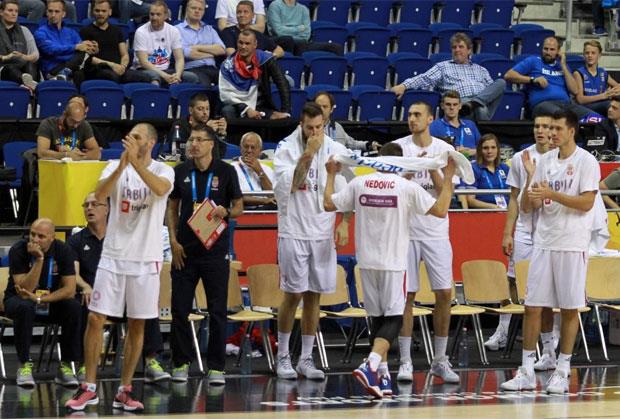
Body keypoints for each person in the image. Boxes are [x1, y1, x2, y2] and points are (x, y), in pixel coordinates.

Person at [323, 143, 455, 398]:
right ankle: (371, 362)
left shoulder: (360, 183)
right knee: (394, 318)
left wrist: (330, 175)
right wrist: (447, 178)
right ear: (400, 162)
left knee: (378, 318)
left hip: (366, 261)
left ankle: (381, 376)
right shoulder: (405, 187)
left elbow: (328, 204)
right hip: (393, 262)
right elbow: (441, 210)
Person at [65, 122, 175, 412]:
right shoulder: (115, 166)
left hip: (146, 258)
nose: (131, 140)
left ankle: (124, 389)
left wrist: (136, 164)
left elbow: (160, 189)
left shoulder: (165, 170)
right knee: (95, 318)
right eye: (130, 136)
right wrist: (123, 165)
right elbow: (100, 195)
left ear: (150, 143)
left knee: (138, 324)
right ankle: (89, 387)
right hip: (113, 256)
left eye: (137, 137)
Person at [501, 109, 600, 393]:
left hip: (571, 243)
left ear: (571, 131)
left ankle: (563, 370)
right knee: (532, 306)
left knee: (569, 308)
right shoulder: (543, 161)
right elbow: (528, 207)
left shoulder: (586, 161)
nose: (551, 133)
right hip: (543, 242)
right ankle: (526, 370)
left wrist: (551, 194)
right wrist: (530, 189)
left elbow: (586, 203)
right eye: (550, 128)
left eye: (557, 129)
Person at [272, 102, 350, 380]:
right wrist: (309, 153)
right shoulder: (286, 148)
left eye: (319, 127)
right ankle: (283, 356)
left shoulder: (335, 148)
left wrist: (344, 222)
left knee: (314, 295)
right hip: (294, 230)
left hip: (322, 231)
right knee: (292, 294)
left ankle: (306, 357)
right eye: (310, 128)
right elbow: (291, 184)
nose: (315, 133)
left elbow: (347, 189)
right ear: (301, 125)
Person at [167, 124, 243, 384]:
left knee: (217, 310)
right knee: (179, 309)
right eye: (191, 139)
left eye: (199, 139)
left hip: (215, 251)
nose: (194, 144)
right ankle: (180, 363)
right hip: (184, 251)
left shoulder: (226, 171)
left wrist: (227, 212)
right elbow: (172, 207)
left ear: (211, 144)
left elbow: (239, 206)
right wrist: (173, 240)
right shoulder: (180, 171)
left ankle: (217, 367)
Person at [68, 192, 171, 384]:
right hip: (94, 297)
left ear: (107, 209)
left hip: (120, 295)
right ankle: (85, 364)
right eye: (86, 205)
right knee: (82, 305)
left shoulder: (121, 237)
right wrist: (86, 287)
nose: (89, 208)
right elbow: (73, 274)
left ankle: (151, 362)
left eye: (94, 204)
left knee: (144, 307)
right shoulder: (77, 240)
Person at [393, 102, 460, 384]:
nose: (412, 119)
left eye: (417, 114)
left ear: (431, 118)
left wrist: (432, 168)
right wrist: (410, 171)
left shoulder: (445, 149)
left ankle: (440, 360)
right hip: (406, 231)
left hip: (436, 231)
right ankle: (405, 361)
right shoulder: (399, 147)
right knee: (406, 296)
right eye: (409, 114)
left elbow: (448, 191)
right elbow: (391, 188)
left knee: (444, 293)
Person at [485, 113, 554, 351]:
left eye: (545, 126)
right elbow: (513, 198)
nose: (540, 130)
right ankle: (503, 330)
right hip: (525, 226)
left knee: (550, 281)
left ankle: (551, 334)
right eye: (537, 126)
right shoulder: (520, 157)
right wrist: (508, 233)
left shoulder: (560, 157)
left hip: (550, 226)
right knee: (513, 278)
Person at [5, 217, 81, 388]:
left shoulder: (63, 250)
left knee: (74, 306)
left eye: (41, 236)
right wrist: (39, 260)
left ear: (52, 238)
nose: (35, 239)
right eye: (32, 234)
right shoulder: (18, 249)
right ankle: (24, 365)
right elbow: (25, 289)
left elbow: (69, 289)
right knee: (25, 306)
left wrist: (40, 299)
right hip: (17, 300)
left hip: (46, 300)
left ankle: (66, 366)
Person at [390, 32, 506, 121]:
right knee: (480, 110)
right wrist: (404, 86)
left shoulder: (481, 70)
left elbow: (491, 92)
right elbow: (424, 78)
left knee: (501, 82)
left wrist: (478, 101)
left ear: (469, 50)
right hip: (459, 103)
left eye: (461, 47)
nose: (457, 50)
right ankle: (474, 106)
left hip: (481, 102)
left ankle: (475, 103)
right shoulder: (443, 66)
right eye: (454, 47)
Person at [504, 36, 595, 119]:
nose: (548, 52)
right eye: (545, 49)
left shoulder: (563, 66)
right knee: (562, 116)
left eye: (552, 50)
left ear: (558, 51)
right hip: (542, 105)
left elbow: (575, 91)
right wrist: (533, 80)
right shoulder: (533, 61)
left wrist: (563, 66)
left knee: (595, 118)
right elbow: (509, 75)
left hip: (566, 105)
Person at [218, 29, 290, 120]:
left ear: (255, 45)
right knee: (227, 110)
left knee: (282, 118)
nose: (243, 46)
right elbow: (225, 95)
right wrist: (246, 109)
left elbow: (282, 82)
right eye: (240, 43)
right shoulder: (227, 65)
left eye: (247, 43)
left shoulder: (265, 59)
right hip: (238, 107)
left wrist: (285, 110)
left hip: (260, 105)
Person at [79, 0, 156, 84]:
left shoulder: (117, 30)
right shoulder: (86, 31)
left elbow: (124, 54)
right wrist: (112, 65)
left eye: (104, 11)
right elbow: (88, 58)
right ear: (93, 12)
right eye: (97, 11)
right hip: (98, 69)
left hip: (118, 69)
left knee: (145, 78)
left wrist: (123, 66)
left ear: (110, 12)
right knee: (111, 76)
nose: (100, 13)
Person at [132, 0, 199, 86]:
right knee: (154, 77)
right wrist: (165, 76)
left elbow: (179, 59)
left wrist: (177, 75)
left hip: (165, 70)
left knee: (192, 77)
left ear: (166, 16)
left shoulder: (173, 31)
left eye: (158, 14)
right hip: (144, 70)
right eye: (152, 14)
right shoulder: (141, 31)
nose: (154, 18)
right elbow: (143, 62)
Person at [34, 0, 98, 81]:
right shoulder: (40, 32)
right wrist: (75, 47)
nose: (53, 15)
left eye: (57, 11)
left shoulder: (71, 32)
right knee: (81, 55)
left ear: (63, 14)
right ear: (46, 13)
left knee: (82, 68)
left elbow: (82, 48)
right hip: (52, 71)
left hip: (72, 70)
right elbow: (50, 50)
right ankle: (61, 75)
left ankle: (64, 75)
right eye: (50, 11)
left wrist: (92, 48)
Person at [175, 0, 226, 87]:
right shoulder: (177, 30)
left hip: (213, 68)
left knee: (232, 83)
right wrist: (211, 54)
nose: (197, 11)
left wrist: (197, 47)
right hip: (193, 69)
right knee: (205, 87)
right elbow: (188, 54)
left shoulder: (209, 29)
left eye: (200, 9)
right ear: (187, 9)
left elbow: (221, 49)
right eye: (194, 8)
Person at [267, 0, 342, 56]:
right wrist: (298, 29)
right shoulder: (275, 6)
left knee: (336, 47)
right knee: (288, 40)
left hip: (302, 43)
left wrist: (287, 29)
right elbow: (279, 31)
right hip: (281, 42)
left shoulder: (304, 9)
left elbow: (306, 34)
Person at [314, 91, 380, 152]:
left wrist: (369, 145)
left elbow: (353, 144)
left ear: (331, 109)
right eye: (318, 106)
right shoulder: (309, 128)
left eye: (325, 106)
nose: (321, 109)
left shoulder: (337, 127)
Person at [169, 92, 228, 159]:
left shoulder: (211, 126)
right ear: (191, 110)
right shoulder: (179, 126)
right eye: (200, 109)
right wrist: (206, 131)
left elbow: (220, 155)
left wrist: (222, 134)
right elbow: (180, 154)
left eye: (207, 109)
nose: (205, 112)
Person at [36, 101, 101, 161]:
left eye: (78, 122)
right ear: (65, 115)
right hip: (52, 166)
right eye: (73, 121)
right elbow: (42, 153)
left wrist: (80, 157)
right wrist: (66, 155)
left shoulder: (84, 125)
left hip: (75, 166)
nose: (75, 126)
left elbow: (97, 153)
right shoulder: (48, 124)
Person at [461, 133, 510, 210]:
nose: (489, 151)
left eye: (493, 147)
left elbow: (513, 195)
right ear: (479, 150)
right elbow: (470, 200)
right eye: (485, 148)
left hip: (506, 211)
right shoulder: (473, 169)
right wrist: (493, 207)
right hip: (484, 212)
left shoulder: (505, 168)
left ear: (498, 150)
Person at [220, 0, 284, 58]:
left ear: (253, 15)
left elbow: (280, 50)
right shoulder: (228, 32)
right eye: (239, 12)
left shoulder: (258, 34)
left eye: (246, 12)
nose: (242, 15)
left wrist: (270, 57)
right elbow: (231, 54)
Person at [573, 40, 620, 116]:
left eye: (593, 53)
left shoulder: (602, 72)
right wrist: (603, 96)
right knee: (611, 106)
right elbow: (580, 99)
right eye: (587, 53)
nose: (590, 55)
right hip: (586, 106)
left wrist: (613, 92)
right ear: (584, 55)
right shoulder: (578, 73)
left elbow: (618, 86)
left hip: (603, 103)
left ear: (599, 55)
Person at [0, 0, 39, 90]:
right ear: (1, 12)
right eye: (10, 10)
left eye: (16, 11)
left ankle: (28, 86)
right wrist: (6, 57)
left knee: (30, 63)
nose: (14, 14)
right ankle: (31, 87)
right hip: (3, 68)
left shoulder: (24, 30)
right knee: (10, 68)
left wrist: (23, 56)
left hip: (21, 66)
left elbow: (35, 55)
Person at [429, 90, 480, 158]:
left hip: (472, 163)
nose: (452, 108)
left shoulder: (470, 124)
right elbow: (428, 151)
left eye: (455, 104)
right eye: (448, 104)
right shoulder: (433, 126)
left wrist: (472, 151)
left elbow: (483, 148)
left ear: (460, 106)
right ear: (442, 106)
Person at [231, 131, 276, 208]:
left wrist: (260, 171)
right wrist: (264, 201)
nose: (249, 150)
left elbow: (273, 196)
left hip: (266, 211)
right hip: (244, 211)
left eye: (253, 147)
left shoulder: (267, 169)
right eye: (246, 146)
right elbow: (235, 197)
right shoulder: (231, 168)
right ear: (240, 148)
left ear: (260, 151)